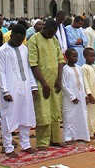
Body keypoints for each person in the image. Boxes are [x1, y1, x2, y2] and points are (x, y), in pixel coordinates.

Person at [0, 24, 37, 158]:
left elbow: (28, 69)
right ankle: (8, 147)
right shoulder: (2, 51)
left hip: (25, 86)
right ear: (11, 36)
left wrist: (33, 86)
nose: (18, 42)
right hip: (10, 89)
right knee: (8, 118)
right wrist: (5, 91)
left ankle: (26, 144)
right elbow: (1, 72)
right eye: (16, 39)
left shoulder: (24, 49)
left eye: (21, 40)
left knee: (25, 115)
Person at [28, 19, 65, 149]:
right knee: (43, 113)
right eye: (50, 33)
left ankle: (55, 139)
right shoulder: (34, 40)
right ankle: (43, 142)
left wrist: (59, 79)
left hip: (55, 82)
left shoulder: (54, 39)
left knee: (55, 111)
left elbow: (60, 60)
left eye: (53, 33)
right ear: (44, 28)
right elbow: (33, 63)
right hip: (41, 82)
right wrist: (43, 83)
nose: (51, 35)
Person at [61, 48, 90, 143]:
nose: (75, 58)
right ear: (67, 57)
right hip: (69, 98)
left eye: (76, 56)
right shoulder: (64, 69)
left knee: (81, 115)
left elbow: (82, 83)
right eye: (73, 56)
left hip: (80, 96)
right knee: (69, 117)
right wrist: (72, 97)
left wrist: (85, 95)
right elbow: (63, 85)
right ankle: (68, 137)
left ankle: (81, 135)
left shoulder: (79, 68)